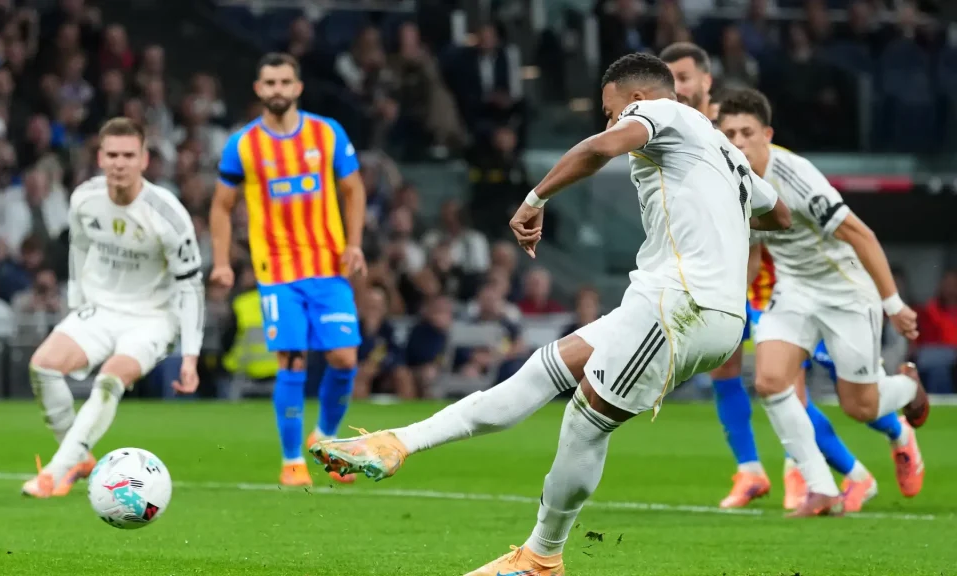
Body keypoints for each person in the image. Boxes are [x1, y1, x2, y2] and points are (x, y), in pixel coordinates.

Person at [311, 53, 790, 575]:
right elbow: (779, 214)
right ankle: (397, 443)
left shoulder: (663, 112)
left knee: (586, 419)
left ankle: (542, 556)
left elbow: (600, 147)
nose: (612, 120)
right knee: (543, 369)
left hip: (680, 303)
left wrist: (535, 198)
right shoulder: (722, 148)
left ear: (636, 98)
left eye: (610, 110)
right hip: (693, 307)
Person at [660, 41, 880, 512]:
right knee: (731, 370)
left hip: (779, 276)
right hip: (728, 273)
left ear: (706, 81)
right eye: (669, 78)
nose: (676, 87)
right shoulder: (676, 130)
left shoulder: (731, 126)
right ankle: (752, 471)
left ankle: (861, 458)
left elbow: (769, 205)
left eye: (683, 77)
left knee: (805, 383)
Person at [717, 87, 927, 516]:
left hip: (846, 291)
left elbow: (860, 235)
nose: (738, 142)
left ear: (767, 134)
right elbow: (754, 253)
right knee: (769, 382)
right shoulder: (731, 181)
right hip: (794, 288)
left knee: (859, 406)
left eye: (747, 133)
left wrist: (893, 305)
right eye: (730, 134)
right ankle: (821, 488)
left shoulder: (795, 176)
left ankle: (908, 390)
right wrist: (728, 301)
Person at [21, 117, 205, 498]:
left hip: (152, 317)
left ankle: (56, 471)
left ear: (144, 159)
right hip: (101, 309)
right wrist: (77, 303)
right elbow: (79, 247)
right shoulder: (84, 198)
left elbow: (191, 286)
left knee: (109, 379)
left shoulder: (167, 214)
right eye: (113, 155)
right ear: (100, 158)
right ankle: (79, 458)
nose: (120, 163)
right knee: (42, 367)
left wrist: (190, 355)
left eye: (128, 155)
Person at [209, 53, 367, 487]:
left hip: (329, 266)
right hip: (277, 272)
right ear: (258, 90)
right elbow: (221, 206)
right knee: (292, 359)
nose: (277, 89)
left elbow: (353, 189)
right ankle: (292, 459)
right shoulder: (243, 144)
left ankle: (326, 438)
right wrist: (221, 261)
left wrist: (354, 243)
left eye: (284, 82)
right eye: (269, 83)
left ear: (297, 87)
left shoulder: (327, 133)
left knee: (344, 358)